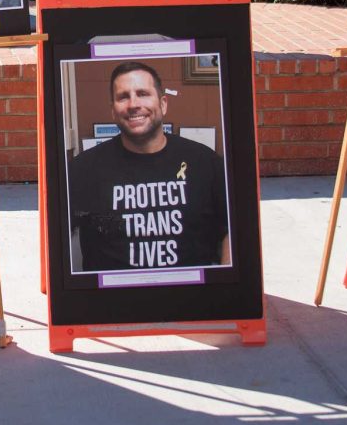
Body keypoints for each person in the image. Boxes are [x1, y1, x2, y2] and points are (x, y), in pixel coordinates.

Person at [68, 62, 230, 272]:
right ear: (113, 111)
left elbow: (234, 228)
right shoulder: (83, 169)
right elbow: (56, 237)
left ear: (163, 104)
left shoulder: (205, 163)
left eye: (143, 93)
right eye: (123, 96)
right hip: (112, 300)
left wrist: (226, 283)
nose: (133, 104)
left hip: (192, 296)